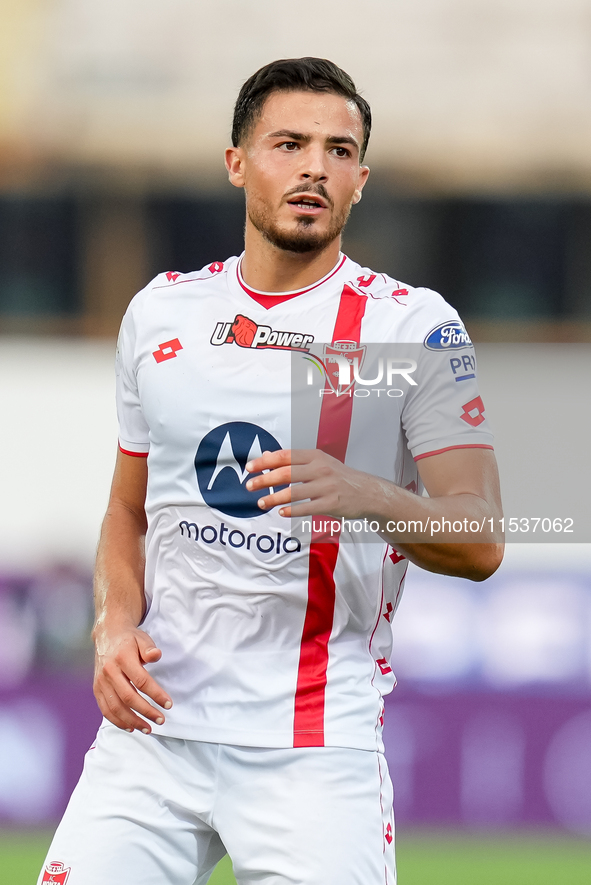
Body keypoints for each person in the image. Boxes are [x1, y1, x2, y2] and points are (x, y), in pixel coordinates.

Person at [39, 57, 503, 885]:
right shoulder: (160, 313)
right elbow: (128, 510)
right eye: (289, 143)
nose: (313, 167)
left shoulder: (411, 327)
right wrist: (113, 625)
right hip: (154, 735)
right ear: (236, 162)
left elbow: (480, 536)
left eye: (338, 149)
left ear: (361, 179)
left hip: (312, 749)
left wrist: (360, 491)